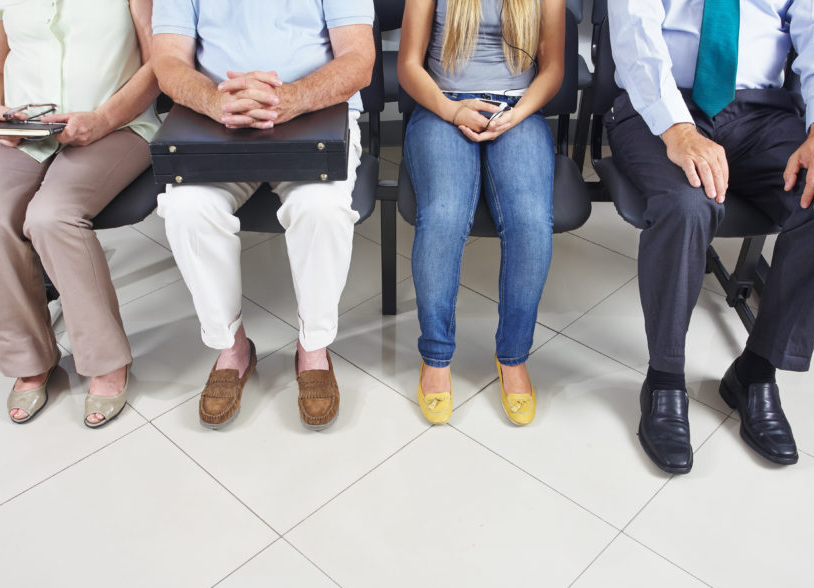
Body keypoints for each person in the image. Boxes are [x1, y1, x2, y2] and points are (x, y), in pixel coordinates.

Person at [607, 0, 814, 473]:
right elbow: (636, 40)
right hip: (661, 104)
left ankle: (755, 371)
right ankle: (665, 377)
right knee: (686, 204)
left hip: (762, 113)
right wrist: (679, 130)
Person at [150, 1, 374, 431]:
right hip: (216, 117)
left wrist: (293, 96)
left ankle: (313, 347)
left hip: (315, 112)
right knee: (185, 209)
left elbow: (358, 60)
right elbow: (168, 60)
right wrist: (214, 101)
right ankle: (232, 348)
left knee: (322, 208)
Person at [0, 0, 160, 427]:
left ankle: (106, 359)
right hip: (23, 129)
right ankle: (29, 357)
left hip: (116, 126)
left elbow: (158, 63)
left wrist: (103, 119)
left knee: (52, 216)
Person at [399, 0, 565, 426]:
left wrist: (517, 115)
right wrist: (453, 109)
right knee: (444, 215)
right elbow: (408, 66)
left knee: (531, 221)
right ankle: (435, 357)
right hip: (442, 106)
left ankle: (513, 356)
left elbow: (552, 69)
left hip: (518, 110)